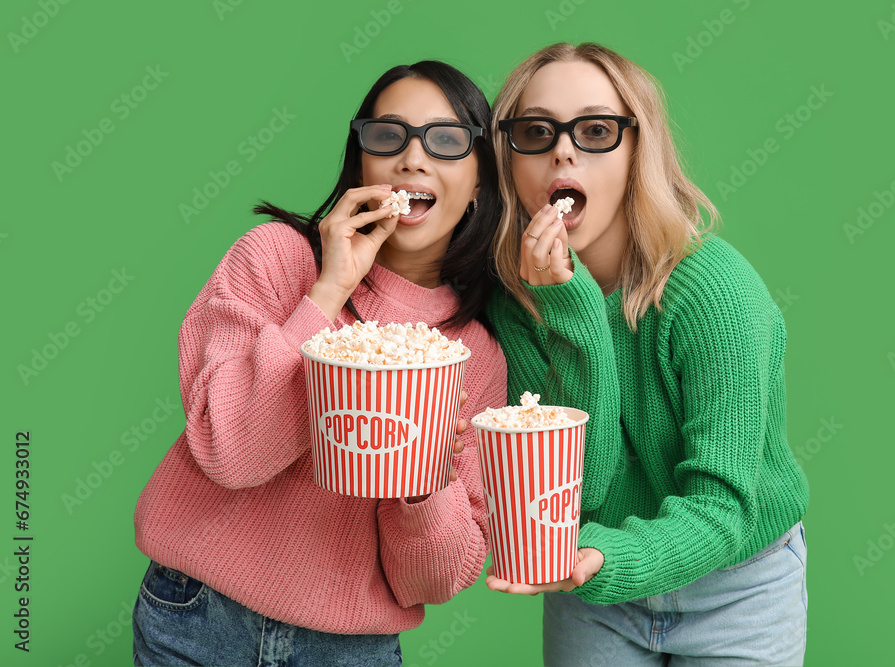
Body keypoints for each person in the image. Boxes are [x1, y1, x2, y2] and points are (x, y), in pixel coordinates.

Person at [131, 60, 506, 666]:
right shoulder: (275, 261)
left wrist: (428, 479)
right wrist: (328, 293)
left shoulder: (474, 356)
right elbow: (231, 452)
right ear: (363, 161)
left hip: (350, 650)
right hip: (196, 618)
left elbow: (430, 583)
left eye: (446, 140)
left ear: (482, 180)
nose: (412, 158)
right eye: (388, 136)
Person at [485, 42, 810, 666]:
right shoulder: (519, 305)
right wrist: (571, 309)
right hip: (595, 586)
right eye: (535, 130)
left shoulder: (716, 294)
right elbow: (578, 492)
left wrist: (610, 558)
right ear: (510, 158)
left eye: (597, 129)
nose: (562, 149)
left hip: (738, 585)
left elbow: (723, 513)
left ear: (639, 153)